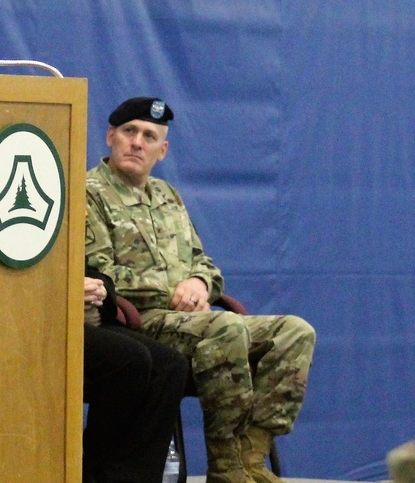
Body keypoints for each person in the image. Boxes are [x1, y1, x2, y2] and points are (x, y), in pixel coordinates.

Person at [84, 97, 316, 483]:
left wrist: (200, 283)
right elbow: (99, 275)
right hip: (141, 323)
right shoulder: (89, 193)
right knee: (226, 329)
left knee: (294, 332)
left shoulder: (168, 196)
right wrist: (175, 287)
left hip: (192, 320)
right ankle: (225, 467)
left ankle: (250, 455)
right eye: (129, 132)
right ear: (111, 136)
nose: (137, 142)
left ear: (162, 150)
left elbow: (202, 262)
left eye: (149, 136)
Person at [83, 269, 189, 483]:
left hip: (90, 318)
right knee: (130, 358)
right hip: (42, 318)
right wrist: (64, 289)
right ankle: (94, 474)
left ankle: (140, 478)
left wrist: (100, 286)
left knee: (171, 365)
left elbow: (89, 266)